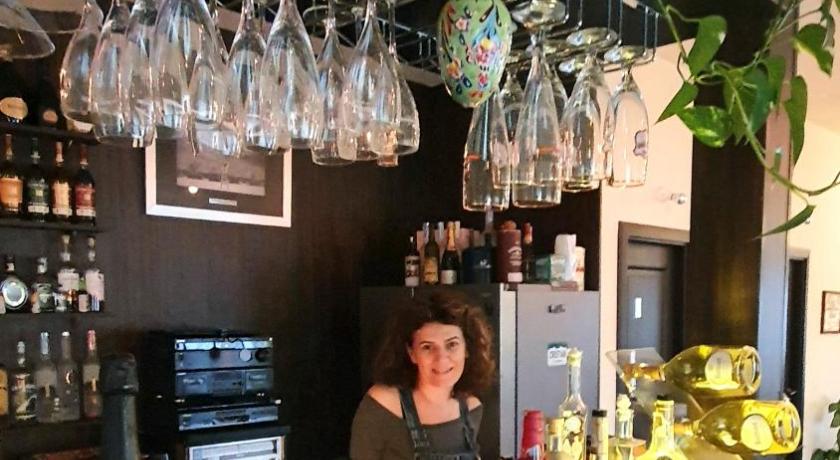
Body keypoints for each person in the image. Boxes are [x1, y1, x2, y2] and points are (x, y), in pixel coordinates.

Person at [350, 292, 496, 459]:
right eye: (427, 347)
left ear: (467, 349)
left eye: (452, 345)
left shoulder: (472, 409)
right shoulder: (384, 404)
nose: (441, 358)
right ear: (411, 353)